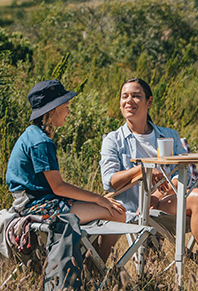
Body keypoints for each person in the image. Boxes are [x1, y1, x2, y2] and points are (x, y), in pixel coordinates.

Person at [100, 77, 198, 281]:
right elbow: (109, 181)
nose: (129, 101)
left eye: (136, 96)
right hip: (140, 207)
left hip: (169, 200)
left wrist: (159, 193)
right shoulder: (113, 140)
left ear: (149, 102)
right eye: (124, 97)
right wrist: (142, 170)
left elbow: (180, 173)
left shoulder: (168, 135)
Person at [7, 79, 126, 260]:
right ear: (53, 109)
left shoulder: (31, 135)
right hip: (39, 207)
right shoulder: (41, 142)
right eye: (66, 106)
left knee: (100, 211)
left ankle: (89, 263)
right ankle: (98, 265)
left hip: (32, 203)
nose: (69, 112)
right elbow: (58, 188)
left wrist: (97, 200)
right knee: (118, 214)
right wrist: (98, 198)